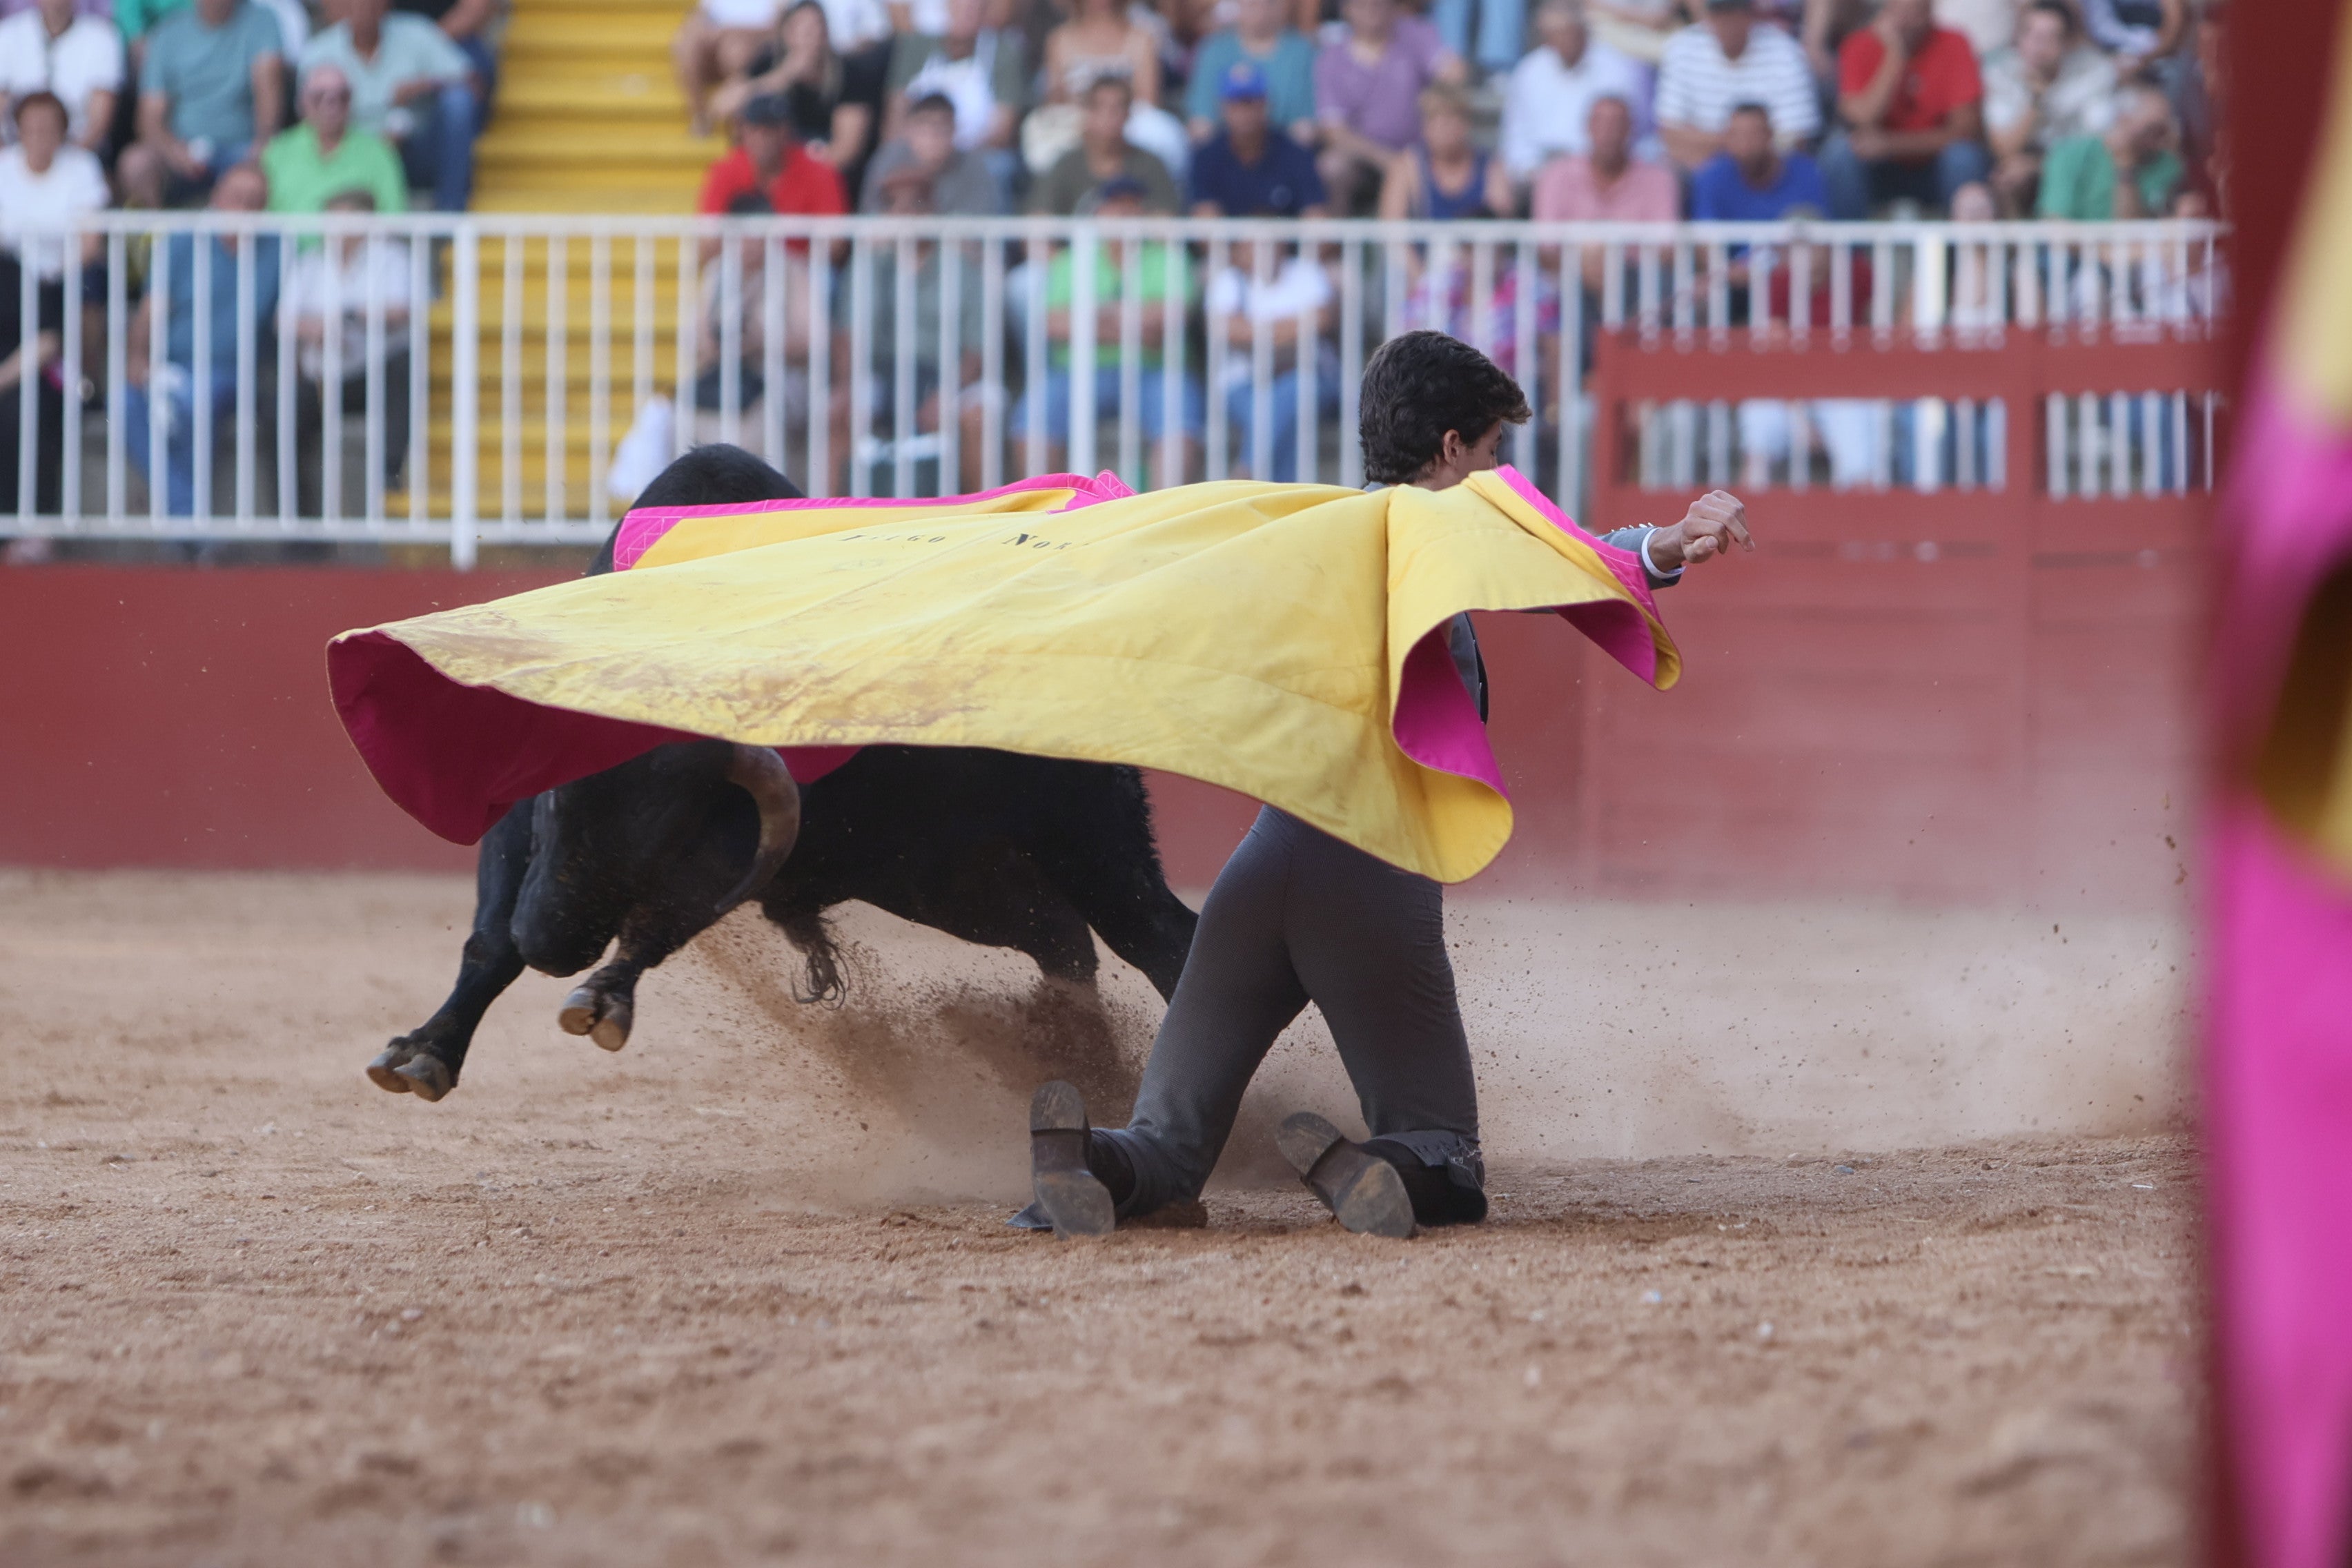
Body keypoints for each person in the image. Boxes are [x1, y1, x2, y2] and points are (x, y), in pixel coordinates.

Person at [1018, 329, 1752, 1239]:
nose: (1500, 472)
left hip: (1264, 863)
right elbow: (1566, 565)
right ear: (1450, 449)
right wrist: (1670, 542)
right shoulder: (1439, 530)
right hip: (1370, 869)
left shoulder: (1310, 536)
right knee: (1445, 1150)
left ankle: (1091, 1161)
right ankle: (1378, 1168)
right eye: (1492, 450)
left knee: (1166, 1146)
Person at [1010, 176, 1201, 482]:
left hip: (1154, 370)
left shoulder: (1168, 256)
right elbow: (1054, 324)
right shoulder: (1073, 258)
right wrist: (1136, 325)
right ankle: (1045, 509)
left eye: (1133, 206)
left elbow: (1173, 317)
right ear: (1099, 212)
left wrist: (1094, 318)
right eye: (1116, 206)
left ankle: (1166, 512)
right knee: (1033, 419)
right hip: (1079, 371)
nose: (1125, 213)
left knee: (1179, 420)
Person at [124, 162, 283, 517]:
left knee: (194, 399)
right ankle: (187, 513)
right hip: (172, 367)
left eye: (254, 201)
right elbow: (150, 311)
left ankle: (183, 518)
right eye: (236, 197)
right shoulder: (183, 240)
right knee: (124, 402)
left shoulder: (277, 248)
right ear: (217, 197)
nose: (243, 209)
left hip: (233, 372)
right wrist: (138, 358)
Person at [275, 187, 412, 513]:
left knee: (402, 368)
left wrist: (350, 317)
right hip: (322, 377)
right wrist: (316, 328)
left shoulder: (391, 257)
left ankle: (388, 476)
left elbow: (401, 311)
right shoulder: (311, 263)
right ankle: (297, 517)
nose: (332, 228)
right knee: (281, 408)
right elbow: (283, 320)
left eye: (342, 219)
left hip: (371, 372)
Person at [299, 0, 480, 213]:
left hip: (413, 147)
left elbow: (473, 83)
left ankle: (451, 211)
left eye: (372, 4)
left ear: (387, 5)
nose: (365, 10)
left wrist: (424, 85)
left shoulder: (417, 33)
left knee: (459, 102)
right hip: (349, 150)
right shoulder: (319, 52)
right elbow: (307, 117)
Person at [1821, 0, 1988, 217]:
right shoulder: (1858, 44)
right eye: (1901, 11)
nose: (1907, 21)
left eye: (1915, 12)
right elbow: (1861, 119)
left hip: (1934, 166)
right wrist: (1894, 55)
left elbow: (1965, 131)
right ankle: (1851, 240)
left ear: (1930, 10)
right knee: (1839, 153)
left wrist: (1891, 145)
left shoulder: (1955, 43)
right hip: (1880, 170)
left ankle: (1963, 239)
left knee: (1963, 158)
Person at [117, 0, 283, 208]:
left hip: (242, 150)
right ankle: (152, 230)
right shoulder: (168, 32)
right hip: (182, 151)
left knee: (266, 168)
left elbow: (269, 92)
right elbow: (149, 117)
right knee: (136, 163)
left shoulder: (262, 20)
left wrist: (261, 146)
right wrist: (175, 152)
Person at [1204, 233, 1335, 482]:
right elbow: (1227, 329)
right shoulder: (1229, 281)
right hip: (1243, 386)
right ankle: (1276, 495)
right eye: (1253, 245)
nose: (1263, 251)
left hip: (1308, 378)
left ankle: (1245, 475)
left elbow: (1321, 319)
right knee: (1283, 417)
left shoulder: (1305, 273)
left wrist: (1256, 331)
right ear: (1239, 251)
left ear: (1282, 247)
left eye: (1269, 244)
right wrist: (1292, 329)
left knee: (1294, 391)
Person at [1314, 0, 1464, 215]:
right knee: (1332, 166)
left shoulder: (1415, 33)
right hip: (1363, 160)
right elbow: (1334, 131)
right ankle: (1335, 235)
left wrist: (1436, 97)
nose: (1371, 9)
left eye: (1378, 3)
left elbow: (1454, 75)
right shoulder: (1331, 59)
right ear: (1346, 9)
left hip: (1420, 152)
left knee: (1446, 138)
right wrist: (1387, 159)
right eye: (1362, 5)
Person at [712, 0, 883, 183]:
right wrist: (783, 76)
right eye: (802, 28)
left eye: (816, 27)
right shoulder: (768, 63)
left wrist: (802, 177)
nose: (810, 35)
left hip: (824, 176)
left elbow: (846, 149)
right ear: (786, 33)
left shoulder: (848, 73)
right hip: (773, 173)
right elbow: (721, 107)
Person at [1982, 0, 2117, 216]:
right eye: (2032, 35)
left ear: (2069, 42)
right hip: (2021, 166)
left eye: (2050, 37)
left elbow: (2098, 147)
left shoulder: (2094, 73)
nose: (2039, 46)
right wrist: (2036, 102)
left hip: (2076, 168)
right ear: (2017, 39)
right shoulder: (1999, 74)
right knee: (2006, 178)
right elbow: (2004, 148)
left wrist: (2038, 165)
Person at [881, 0, 1026, 202]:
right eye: (960, 6)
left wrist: (948, 153)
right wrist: (924, 151)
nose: (967, 13)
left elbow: (1003, 129)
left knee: (995, 168)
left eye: (974, 7)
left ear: (985, 11)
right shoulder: (916, 46)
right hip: (917, 151)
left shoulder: (1003, 52)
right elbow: (896, 116)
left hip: (976, 155)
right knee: (887, 163)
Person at [1654, 0, 1819, 174]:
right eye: (1719, 13)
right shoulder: (1682, 48)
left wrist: (1726, 147)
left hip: (1768, 174)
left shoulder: (1786, 52)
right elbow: (1670, 136)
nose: (1728, 22)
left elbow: (1795, 140)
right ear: (1708, 17)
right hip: (1698, 169)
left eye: (1736, 13)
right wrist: (1745, 142)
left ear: (1751, 15)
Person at [1499, 0, 1651, 184]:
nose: (1562, 40)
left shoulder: (1617, 68)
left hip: (1600, 171)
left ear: (1582, 29)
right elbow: (1516, 137)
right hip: (1539, 174)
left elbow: (1634, 134)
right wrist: (1530, 170)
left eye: (1567, 32)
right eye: (1554, 34)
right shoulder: (1529, 70)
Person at [262, 63, 409, 217]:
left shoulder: (380, 153)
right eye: (319, 97)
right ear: (302, 102)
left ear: (351, 101)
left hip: (358, 234)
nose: (331, 106)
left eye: (342, 97)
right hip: (290, 234)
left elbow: (394, 217)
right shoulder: (277, 151)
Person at [1186, 59, 1326, 217]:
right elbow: (1204, 215)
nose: (1244, 112)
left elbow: (1315, 215)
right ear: (1222, 107)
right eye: (1235, 103)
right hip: (1228, 234)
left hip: (1283, 233)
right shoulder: (1206, 157)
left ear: (1266, 104)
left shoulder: (1296, 155)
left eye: (1251, 102)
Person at [0, 92, 110, 291]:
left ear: (63, 130)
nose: (39, 135)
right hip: (11, 272)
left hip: (70, 273)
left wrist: (56, 276)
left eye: (47, 128)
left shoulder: (83, 165)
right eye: (31, 127)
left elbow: (90, 241)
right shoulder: (4, 165)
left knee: (92, 282)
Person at [696, 90, 847, 228]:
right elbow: (706, 236)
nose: (762, 137)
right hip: (740, 249)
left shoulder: (817, 171)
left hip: (798, 250)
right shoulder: (727, 169)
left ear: (786, 131)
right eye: (755, 128)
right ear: (744, 132)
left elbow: (835, 240)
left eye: (770, 129)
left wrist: (777, 244)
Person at [1029, 75, 1179, 216]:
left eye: (1117, 108)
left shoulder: (1150, 165)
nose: (1109, 116)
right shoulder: (1065, 166)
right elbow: (1039, 217)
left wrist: (1130, 214)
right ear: (1088, 112)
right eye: (1100, 107)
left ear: (1128, 114)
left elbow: (1167, 217)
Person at [2035, 81, 2180, 219]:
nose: (2158, 143)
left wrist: (2125, 168)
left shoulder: (2167, 166)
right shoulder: (2069, 154)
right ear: (2124, 119)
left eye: (2163, 132)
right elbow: (2055, 223)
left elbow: (2132, 229)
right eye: (2150, 131)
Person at [0, 0, 124, 157]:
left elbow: (99, 121)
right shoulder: (8, 33)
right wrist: (10, 161)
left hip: (80, 153)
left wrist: (68, 164)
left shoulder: (103, 36)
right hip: (14, 152)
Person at [1531, 91, 1678, 222]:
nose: (1608, 131)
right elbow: (1546, 241)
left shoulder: (1658, 180)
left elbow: (1666, 241)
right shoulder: (1557, 177)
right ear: (1588, 126)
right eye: (1601, 122)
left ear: (1631, 128)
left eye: (1617, 123)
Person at [1183, 0, 1315, 145]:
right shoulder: (1214, 50)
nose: (1261, 10)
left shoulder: (1302, 52)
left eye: (1270, 3)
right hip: (1225, 147)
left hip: (1283, 148)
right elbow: (1201, 121)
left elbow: (1305, 125)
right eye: (1253, 3)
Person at [1380, 84, 1514, 221]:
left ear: (1466, 123)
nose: (1444, 128)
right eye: (1435, 119)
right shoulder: (1408, 167)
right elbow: (1392, 227)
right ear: (1424, 126)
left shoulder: (1490, 167)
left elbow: (1503, 223)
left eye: (1451, 119)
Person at [0, 247, 66, 522]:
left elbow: (47, 340)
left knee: (23, 412)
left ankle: (29, 525)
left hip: (15, 380)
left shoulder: (14, 272)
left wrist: (2, 378)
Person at [860, 90, 1003, 213]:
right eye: (924, 126)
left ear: (954, 130)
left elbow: (980, 224)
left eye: (942, 127)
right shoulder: (888, 160)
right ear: (909, 130)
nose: (933, 136)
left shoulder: (974, 167)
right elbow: (869, 215)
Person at [1689, 97, 1827, 217]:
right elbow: (1705, 235)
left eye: (1753, 135)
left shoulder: (1806, 175)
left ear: (1769, 134)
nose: (1744, 145)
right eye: (1736, 135)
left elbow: (1823, 232)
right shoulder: (1711, 179)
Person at [674, 0, 783, 137]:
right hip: (718, 32)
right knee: (687, 47)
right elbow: (702, 14)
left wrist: (731, 32)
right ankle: (701, 116)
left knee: (735, 53)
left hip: (752, 37)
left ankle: (736, 122)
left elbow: (783, 21)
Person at [1041, 0, 1160, 115]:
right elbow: (1055, 100)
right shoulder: (1060, 40)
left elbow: (1148, 103)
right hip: (1075, 122)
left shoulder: (1141, 40)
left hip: (1130, 122)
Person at [391, 0, 500, 113]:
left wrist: (425, 44)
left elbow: (476, 8)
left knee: (459, 100)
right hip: (394, 42)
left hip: (455, 40)